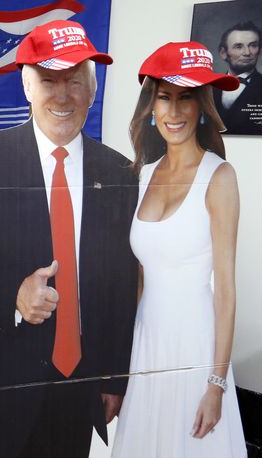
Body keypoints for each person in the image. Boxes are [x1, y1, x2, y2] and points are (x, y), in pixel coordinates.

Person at [0, 20, 139, 457]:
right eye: (48, 80)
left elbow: (120, 288)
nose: (62, 96)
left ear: (92, 90)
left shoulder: (119, 174)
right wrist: (14, 296)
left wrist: (115, 378)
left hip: (78, 388)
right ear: (27, 87)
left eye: (75, 81)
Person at [112, 41, 246, 457]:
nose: (174, 111)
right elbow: (138, 278)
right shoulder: (143, 174)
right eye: (164, 97)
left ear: (202, 105)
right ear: (150, 107)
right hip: (146, 343)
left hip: (194, 350)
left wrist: (216, 384)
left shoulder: (218, 177)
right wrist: (121, 366)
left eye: (185, 98)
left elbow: (225, 292)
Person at [212, 21, 262, 134]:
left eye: (253, 45)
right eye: (238, 46)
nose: (247, 52)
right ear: (223, 53)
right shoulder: (209, 88)